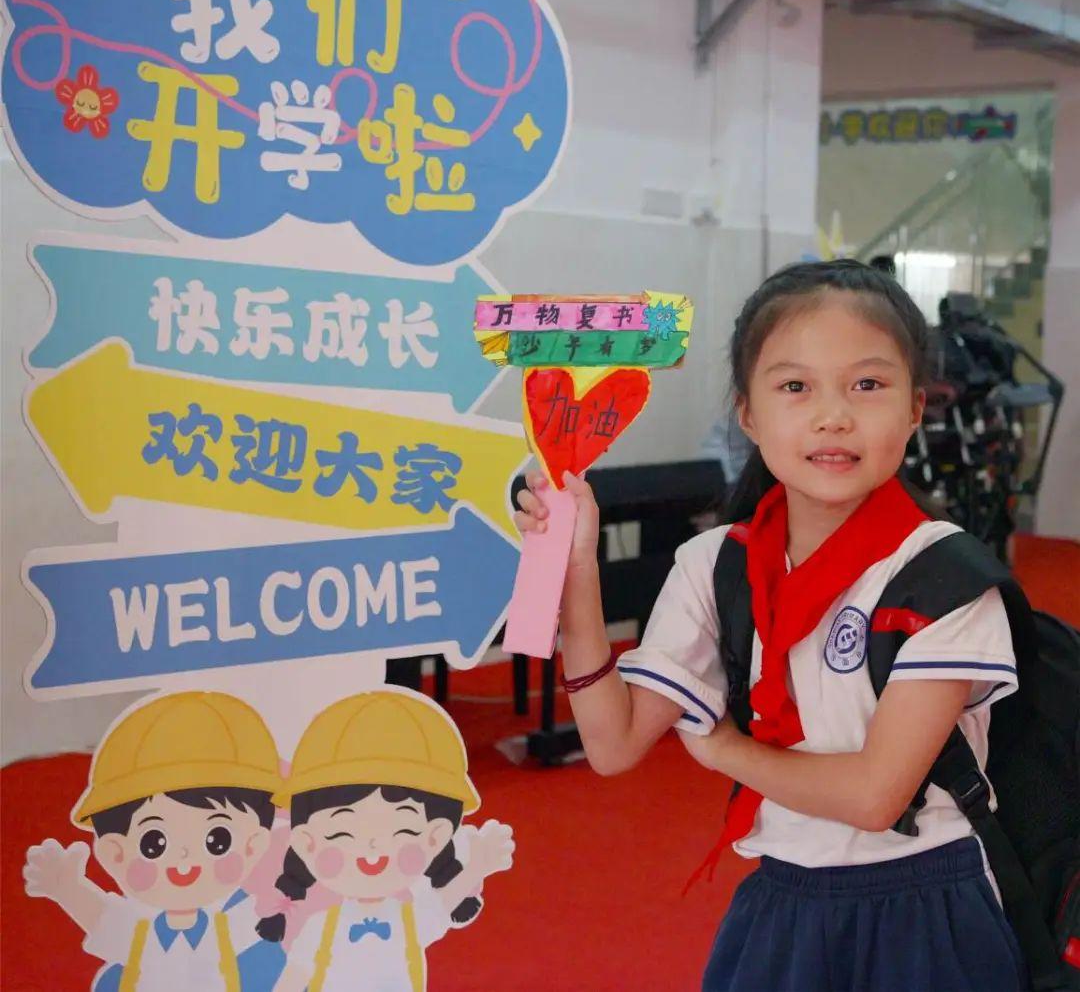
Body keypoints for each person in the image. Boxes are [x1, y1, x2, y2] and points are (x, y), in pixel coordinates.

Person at [515, 259, 1027, 992]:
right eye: (795, 387)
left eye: (868, 385)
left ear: (916, 408)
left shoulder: (944, 575)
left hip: (926, 906)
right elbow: (613, 742)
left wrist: (724, 748)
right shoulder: (715, 565)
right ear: (748, 414)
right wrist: (577, 571)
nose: (832, 416)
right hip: (782, 902)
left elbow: (874, 796)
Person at [23, 691, 285, 991]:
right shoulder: (138, 934)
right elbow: (102, 919)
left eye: (217, 840)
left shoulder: (240, 923)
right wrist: (68, 889)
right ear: (115, 853)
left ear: (253, 844)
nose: (184, 857)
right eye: (154, 844)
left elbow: (278, 961)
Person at [260, 690, 514, 992]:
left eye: (401, 832)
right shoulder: (318, 929)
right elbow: (292, 981)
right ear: (307, 843)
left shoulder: (410, 920)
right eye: (343, 834)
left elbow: (445, 902)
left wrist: (479, 866)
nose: (372, 845)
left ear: (435, 837)